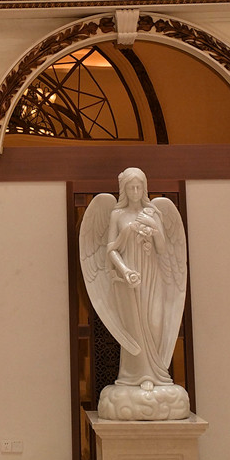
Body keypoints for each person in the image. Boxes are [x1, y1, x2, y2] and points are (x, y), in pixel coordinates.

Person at [80, 168, 187, 391]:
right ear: (124, 190)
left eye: (139, 187)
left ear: (144, 188)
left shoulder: (153, 212)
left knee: (155, 323)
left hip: (152, 276)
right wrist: (125, 270)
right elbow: (111, 249)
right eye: (131, 188)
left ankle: (157, 374)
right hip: (130, 278)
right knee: (135, 329)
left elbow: (162, 249)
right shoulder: (117, 215)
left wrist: (154, 227)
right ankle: (136, 376)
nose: (136, 191)